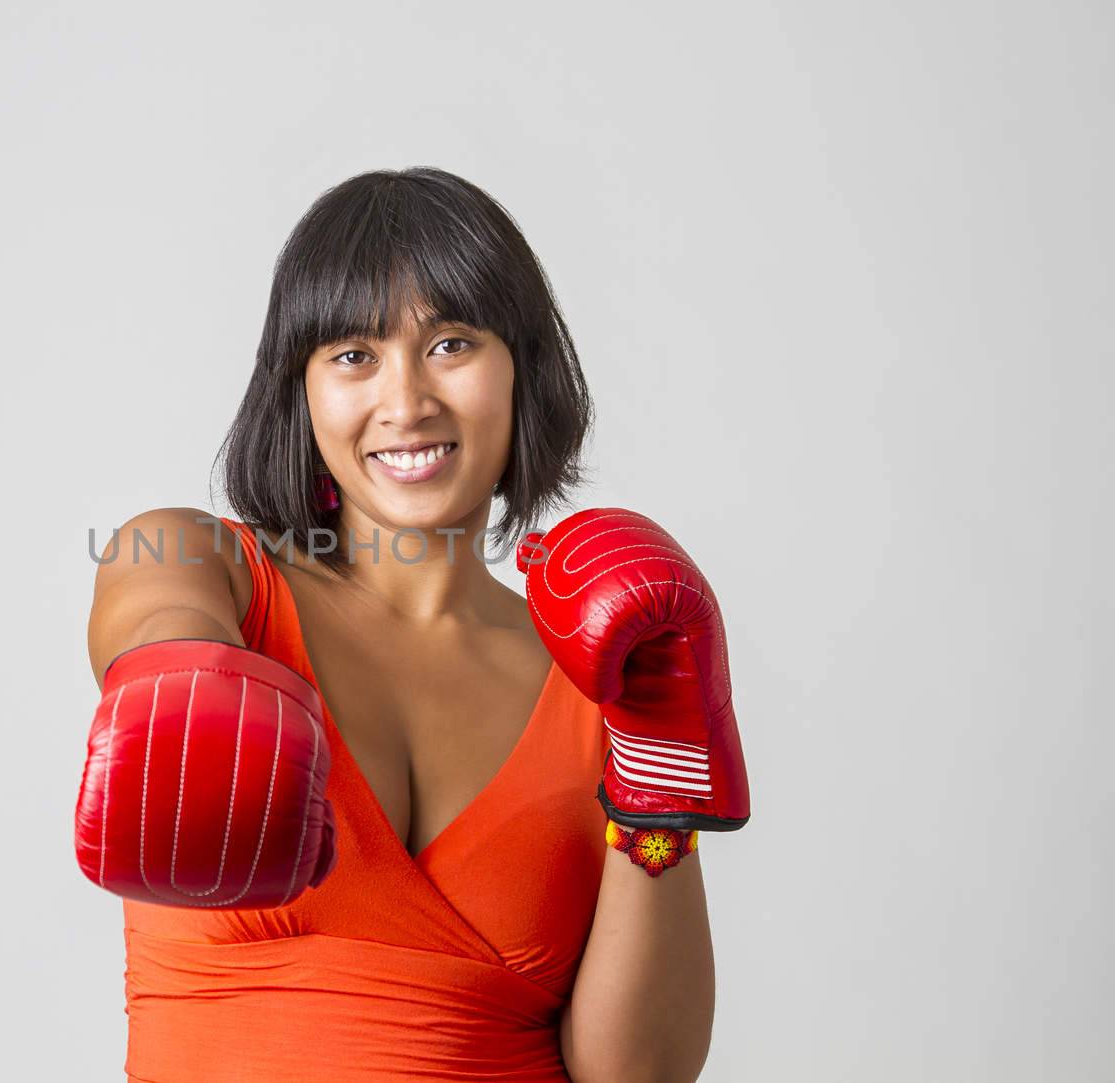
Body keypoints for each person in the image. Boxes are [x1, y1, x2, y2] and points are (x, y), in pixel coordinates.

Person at [76, 167, 751, 1082]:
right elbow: (155, 606)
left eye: (451, 344)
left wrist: (661, 775)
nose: (407, 403)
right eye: (353, 355)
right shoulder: (209, 571)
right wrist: (179, 675)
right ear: (301, 391)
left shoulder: (600, 675)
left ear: (521, 366)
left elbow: (637, 1074)